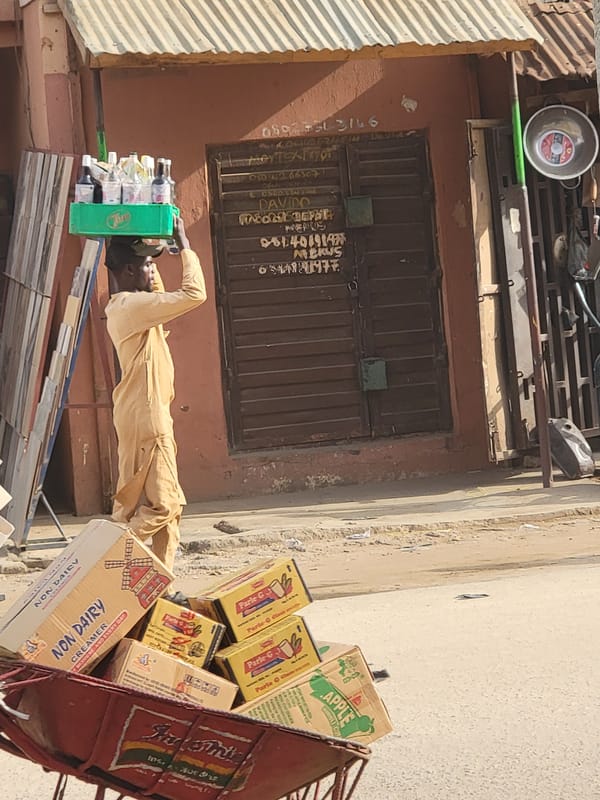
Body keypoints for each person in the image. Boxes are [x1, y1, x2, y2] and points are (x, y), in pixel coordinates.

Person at [104, 216, 206, 572]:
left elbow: (157, 293)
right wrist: (186, 248)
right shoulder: (134, 306)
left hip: (137, 414)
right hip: (148, 417)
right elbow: (195, 294)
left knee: (156, 507)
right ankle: (107, 558)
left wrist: (159, 249)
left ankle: (160, 586)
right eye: (147, 265)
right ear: (130, 271)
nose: (152, 270)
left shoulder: (127, 305)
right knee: (165, 505)